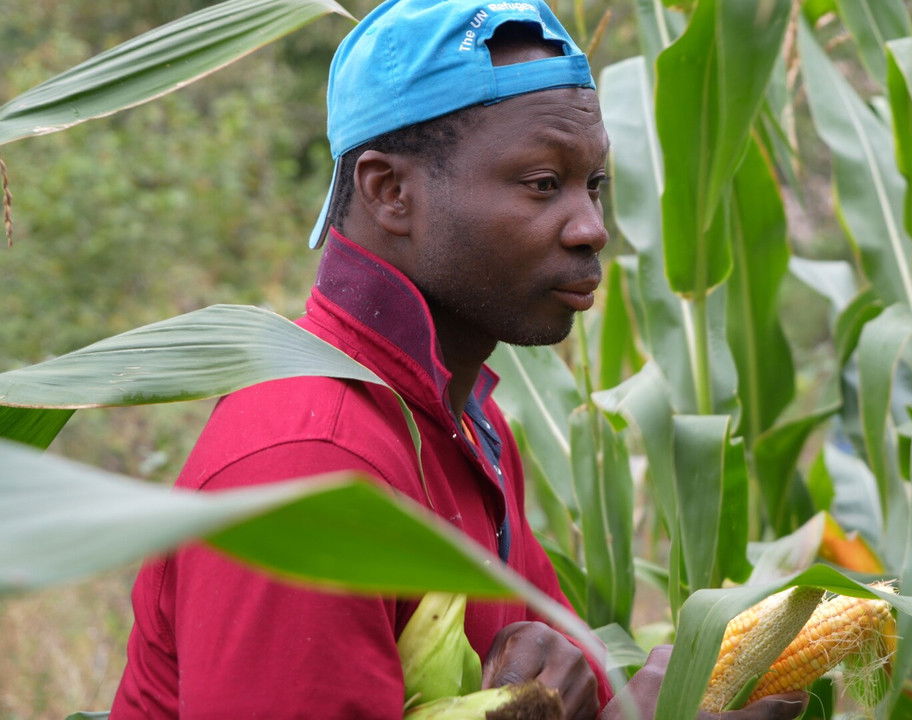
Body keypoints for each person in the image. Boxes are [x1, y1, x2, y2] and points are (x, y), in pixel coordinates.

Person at [111, 1, 808, 718]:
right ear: (390, 192)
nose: (591, 228)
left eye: (593, 185)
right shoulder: (308, 465)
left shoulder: (466, 424)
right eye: (543, 183)